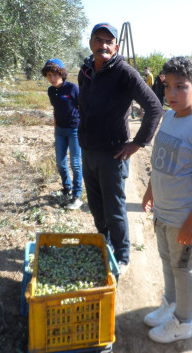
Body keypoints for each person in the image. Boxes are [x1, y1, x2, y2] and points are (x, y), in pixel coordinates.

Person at [142, 57, 192, 343]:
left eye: (181, 87)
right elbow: (160, 159)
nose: (172, 94)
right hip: (163, 213)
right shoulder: (169, 116)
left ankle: (183, 323)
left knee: (184, 270)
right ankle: (171, 305)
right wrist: (151, 190)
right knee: (167, 263)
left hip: (185, 218)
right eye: (167, 87)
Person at [78, 23, 163, 273]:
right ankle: (103, 243)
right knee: (95, 205)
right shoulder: (85, 70)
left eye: (108, 41)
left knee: (114, 209)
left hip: (112, 154)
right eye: (98, 39)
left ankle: (123, 256)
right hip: (88, 150)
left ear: (116, 46)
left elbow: (154, 107)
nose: (103, 45)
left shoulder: (125, 72)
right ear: (91, 42)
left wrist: (137, 143)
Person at [41, 58, 83, 210]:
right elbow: (55, 110)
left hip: (74, 130)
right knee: (60, 162)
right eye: (49, 75)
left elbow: (82, 108)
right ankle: (67, 188)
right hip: (60, 131)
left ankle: (77, 196)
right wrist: (55, 129)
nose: (52, 78)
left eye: (55, 75)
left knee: (76, 163)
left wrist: (83, 129)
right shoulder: (51, 91)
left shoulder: (72, 88)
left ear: (62, 74)